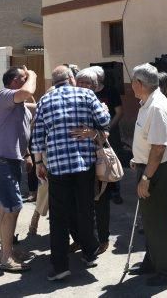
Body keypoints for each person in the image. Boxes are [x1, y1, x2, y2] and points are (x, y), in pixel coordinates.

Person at [31, 65, 110, 282]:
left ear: (53, 81)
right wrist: (102, 110)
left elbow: (37, 136)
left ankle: (59, 267)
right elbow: (104, 122)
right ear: (71, 78)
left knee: (59, 217)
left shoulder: (44, 101)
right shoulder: (86, 94)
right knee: (85, 210)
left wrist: (38, 161)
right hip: (84, 164)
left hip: (57, 166)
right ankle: (89, 254)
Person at [127, 63, 167, 287]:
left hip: (157, 172)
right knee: (149, 222)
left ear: (140, 84)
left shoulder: (156, 107)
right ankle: (153, 261)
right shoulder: (148, 103)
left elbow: (159, 148)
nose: (131, 86)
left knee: (157, 222)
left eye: (133, 82)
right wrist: (138, 159)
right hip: (149, 167)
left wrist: (146, 178)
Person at [0, 66, 37, 273]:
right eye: (23, 78)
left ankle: (7, 249)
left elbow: (38, 106)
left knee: (5, 207)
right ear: (15, 81)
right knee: (13, 207)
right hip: (0, 161)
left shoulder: (21, 105)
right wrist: (32, 74)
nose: (28, 81)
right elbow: (27, 92)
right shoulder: (3, 95)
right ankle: (6, 258)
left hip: (10, 160)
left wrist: (28, 154)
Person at [73, 69, 113, 255]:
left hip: (97, 159)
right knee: (81, 203)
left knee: (100, 200)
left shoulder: (100, 105)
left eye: (88, 84)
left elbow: (106, 133)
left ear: (95, 87)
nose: (83, 87)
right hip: (77, 160)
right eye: (80, 83)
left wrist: (92, 133)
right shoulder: (72, 103)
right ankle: (84, 239)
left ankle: (103, 238)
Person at [91, 65, 125, 205]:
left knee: (112, 160)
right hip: (94, 135)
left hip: (110, 133)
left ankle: (116, 191)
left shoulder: (111, 91)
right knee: (99, 162)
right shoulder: (89, 92)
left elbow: (119, 112)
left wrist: (108, 127)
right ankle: (99, 190)